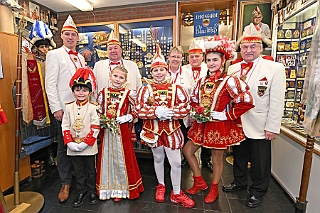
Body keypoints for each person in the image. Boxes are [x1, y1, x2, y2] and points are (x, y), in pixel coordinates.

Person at [183, 36, 254, 203]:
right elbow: (194, 99)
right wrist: (195, 111)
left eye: (215, 59)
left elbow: (247, 100)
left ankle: (214, 188)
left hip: (219, 126)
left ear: (223, 60)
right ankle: (199, 181)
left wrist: (226, 115)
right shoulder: (202, 81)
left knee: (216, 159)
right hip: (202, 124)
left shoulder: (230, 80)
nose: (212, 63)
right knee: (187, 151)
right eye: (208, 60)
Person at [223, 24, 286, 208]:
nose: (248, 50)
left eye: (253, 47)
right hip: (238, 122)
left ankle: (258, 190)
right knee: (239, 155)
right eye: (245, 47)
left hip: (261, 124)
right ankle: (240, 182)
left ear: (260, 48)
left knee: (260, 161)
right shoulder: (233, 69)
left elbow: (276, 100)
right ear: (240, 49)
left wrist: (272, 126)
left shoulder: (274, 68)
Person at [135, 45, 195, 209]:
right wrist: (156, 111)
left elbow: (186, 107)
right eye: (156, 70)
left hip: (172, 130)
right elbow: (139, 109)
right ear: (151, 72)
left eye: (162, 69)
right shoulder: (145, 89)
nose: (159, 73)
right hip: (153, 131)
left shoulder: (177, 89)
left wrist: (171, 112)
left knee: (175, 162)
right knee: (158, 158)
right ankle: (160, 185)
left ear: (167, 70)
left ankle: (176, 192)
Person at [45, 15, 86, 203]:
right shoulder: (54, 55)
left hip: (81, 109)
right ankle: (65, 182)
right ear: (61, 36)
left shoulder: (80, 58)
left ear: (77, 38)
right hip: (63, 110)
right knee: (64, 146)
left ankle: (79, 176)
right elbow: (50, 84)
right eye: (67, 34)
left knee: (79, 143)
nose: (70, 38)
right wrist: (56, 109)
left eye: (73, 35)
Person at [96, 65, 144, 201]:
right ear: (110, 76)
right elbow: (99, 109)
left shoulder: (130, 93)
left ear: (125, 80)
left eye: (121, 77)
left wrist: (128, 117)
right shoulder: (103, 92)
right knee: (106, 157)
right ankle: (107, 187)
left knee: (122, 158)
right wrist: (99, 117)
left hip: (121, 131)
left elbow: (138, 108)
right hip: (106, 131)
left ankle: (122, 188)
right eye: (115, 76)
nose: (117, 79)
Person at [62, 67, 100, 207]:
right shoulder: (68, 107)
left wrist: (86, 143)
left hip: (88, 146)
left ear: (89, 92)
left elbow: (95, 126)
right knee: (78, 170)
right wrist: (69, 142)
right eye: (78, 90)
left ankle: (91, 191)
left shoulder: (93, 107)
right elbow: (65, 125)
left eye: (84, 90)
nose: (81, 93)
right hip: (73, 145)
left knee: (91, 170)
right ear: (73, 92)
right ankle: (81, 190)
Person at [28, 20, 57, 168]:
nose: (44, 49)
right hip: (39, 96)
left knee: (54, 127)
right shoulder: (32, 62)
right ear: (36, 48)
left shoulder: (54, 60)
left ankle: (53, 153)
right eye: (41, 46)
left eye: (46, 46)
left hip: (53, 97)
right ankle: (46, 155)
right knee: (42, 128)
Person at [182, 40, 212, 172]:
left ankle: (206, 160)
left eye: (197, 56)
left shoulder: (210, 68)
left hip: (204, 107)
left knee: (206, 133)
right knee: (186, 132)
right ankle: (186, 157)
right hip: (187, 108)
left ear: (202, 56)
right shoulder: (182, 70)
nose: (194, 59)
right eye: (192, 56)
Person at [167, 46, 194, 152]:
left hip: (183, 115)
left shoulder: (188, 73)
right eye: (173, 56)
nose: (175, 59)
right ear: (168, 57)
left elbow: (192, 94)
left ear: (182, 58)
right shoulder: (162, 72)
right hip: (167, 115)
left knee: (183, 138)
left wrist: (192, 113)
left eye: (178, 57)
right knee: (168, 141)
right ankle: (168, 164)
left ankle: (182, 161)